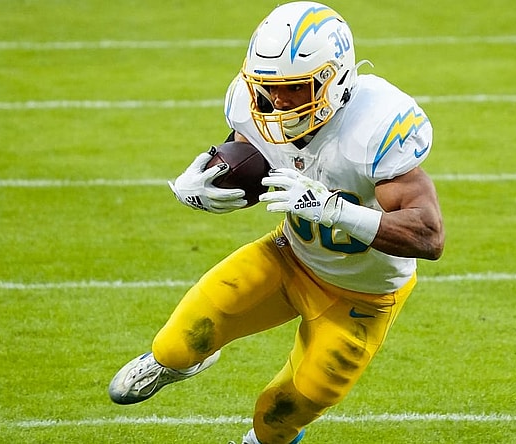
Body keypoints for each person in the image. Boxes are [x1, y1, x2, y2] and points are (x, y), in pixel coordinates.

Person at [107, 2, 445, 443]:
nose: (278, 103)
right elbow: (248, 154)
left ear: (335, 78)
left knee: (278, 419)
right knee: (175, 345)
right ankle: (185, 362)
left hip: (364, 297)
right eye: (269, 88)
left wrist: (333, 209)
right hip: (289, 258)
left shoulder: (378, 123)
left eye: (296, 88)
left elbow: (428, 235)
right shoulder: (256, 104)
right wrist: (209, 181)